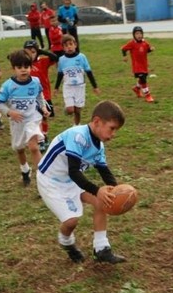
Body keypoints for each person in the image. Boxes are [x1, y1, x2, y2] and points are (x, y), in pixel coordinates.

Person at [37, 100, 127, 264]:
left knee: (103, 200)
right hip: (51, 181)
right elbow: (73, 171)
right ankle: (66, 242)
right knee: (71, 222)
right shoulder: (77, 135)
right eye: (112, 128)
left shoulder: (98, 146)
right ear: (97, 122)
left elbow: (104, 171)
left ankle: (101, 249)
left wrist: (118, 191)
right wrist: (96, 189)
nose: (113, 134)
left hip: (72, 180)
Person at [0, 50, 50, 186]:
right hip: (17, 122)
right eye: (19, 67)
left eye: (26, 67)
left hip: (32, 119)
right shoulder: (8, 85)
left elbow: (39, 96)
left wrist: (43, 108)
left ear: (31, 67)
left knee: (33, 147)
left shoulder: (35, 82)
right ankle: (25, 170)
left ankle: (42, 179)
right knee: (19, 149)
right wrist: (10, 113)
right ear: (13, 69)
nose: (23, 70)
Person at [54, 34, 100, 126]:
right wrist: (56, 88)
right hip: (68, 87)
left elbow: (89, 72)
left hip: (80, 87)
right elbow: (60, 74)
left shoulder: (82, 57)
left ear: (75, 45)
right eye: (66, 45)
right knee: (71, 110)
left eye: (71, 44)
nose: (69, 47)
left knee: (78, 110)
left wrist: (95, 86)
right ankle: (67, 109)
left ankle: (76, 125)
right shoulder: (62, 60)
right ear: (63, 48)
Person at [23, 40, 59, 152]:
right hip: (30, 97)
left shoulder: (43, 62)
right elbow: (10, 57)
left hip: (45, 95)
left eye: (33, 52)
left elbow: (55, 57)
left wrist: (40, 51)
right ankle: (39, 139)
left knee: (44, 117)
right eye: (27, 52)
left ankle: (45, 136)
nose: (30, 54)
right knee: (35, 118)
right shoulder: (24, 65)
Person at [121, 26, 155, 103]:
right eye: (137, 34)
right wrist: (125, 56)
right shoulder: (132, 43)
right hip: (137, 66)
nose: (139, 35)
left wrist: (150, 49)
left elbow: (146, 50)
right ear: (134, 35)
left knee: (142, 78)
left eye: (140, 33)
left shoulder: (145, 43)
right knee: (143, 80)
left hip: (144, 65)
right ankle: (148, 95)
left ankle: (136, 88)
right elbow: (123, 49)